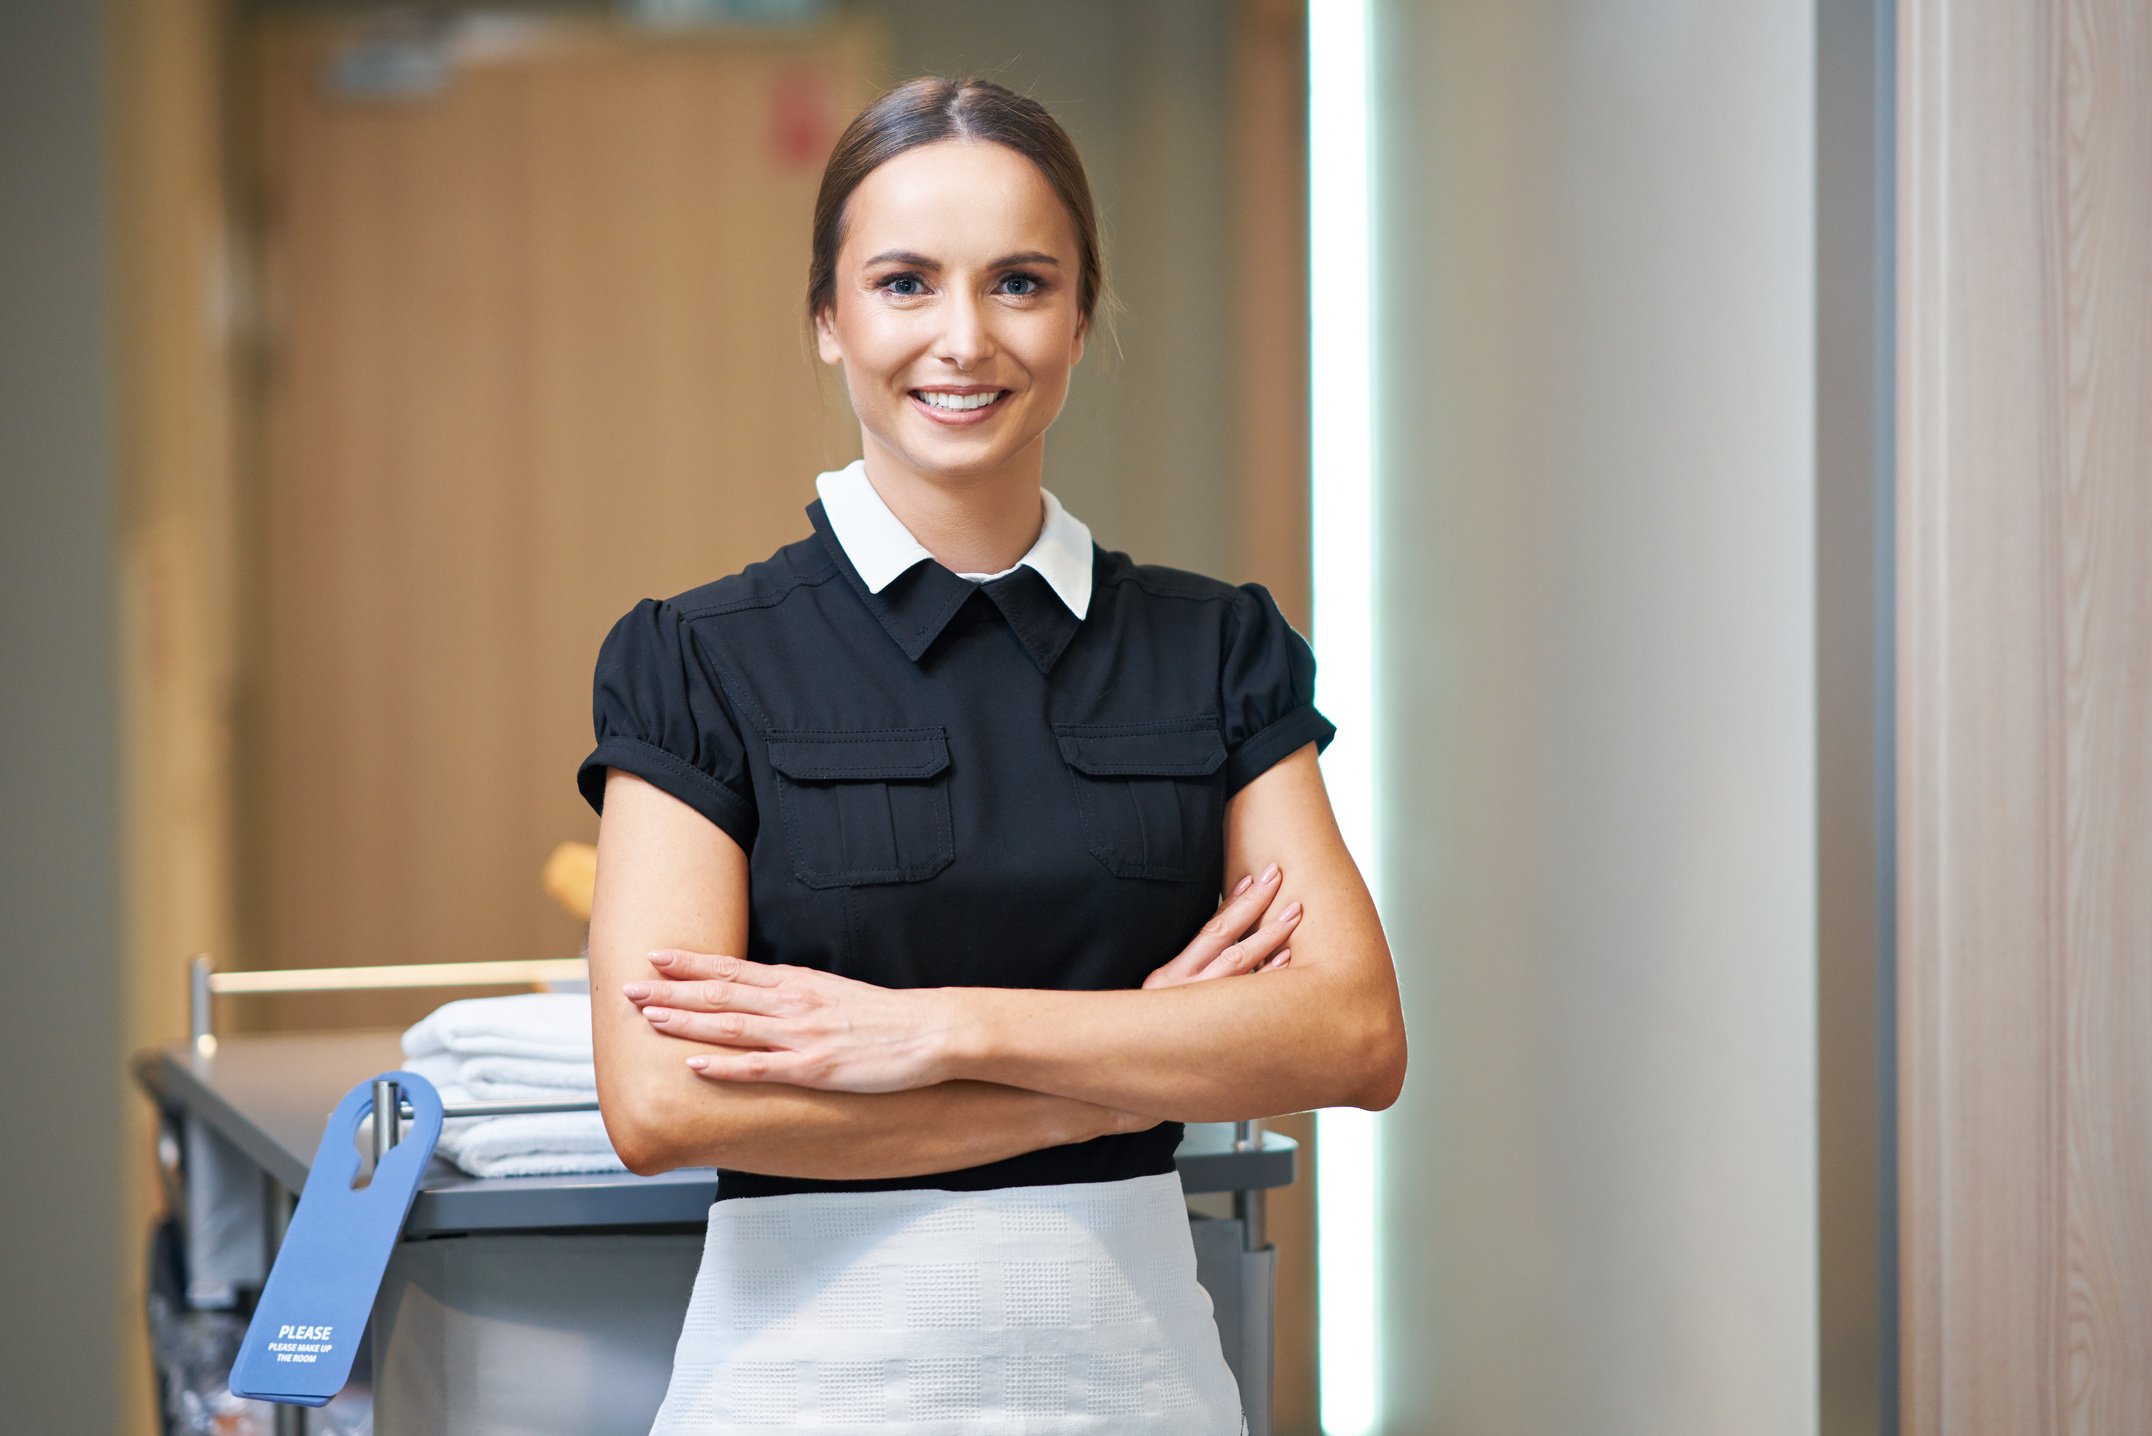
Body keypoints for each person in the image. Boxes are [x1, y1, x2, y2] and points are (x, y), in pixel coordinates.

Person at [576, 74, 1405, 1436]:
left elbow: (1355, 1035)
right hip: (797, 1396)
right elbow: (663, 1103)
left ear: (1082, 317)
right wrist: (1128, 1068)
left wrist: (932, 1032)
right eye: (904, 284)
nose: (963, 339)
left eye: (1020, 282)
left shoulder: (1215, 650)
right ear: (827, 321)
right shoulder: (695, 661)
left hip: (1136, 1396)